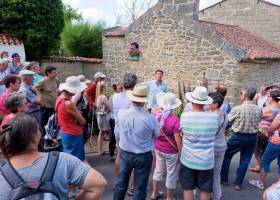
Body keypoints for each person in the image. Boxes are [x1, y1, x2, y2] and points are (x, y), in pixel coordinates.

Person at [0, 114, 107, 200]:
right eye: (38, 130)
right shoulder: (62, 160)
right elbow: (99, 184)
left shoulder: (2, 174)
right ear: (34, 138)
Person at [113, 85, 160, 200]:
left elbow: (118, 131)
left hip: (125, 153)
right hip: (143, 155)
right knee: (140, 187)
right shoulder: (150, 118)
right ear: (144, 102)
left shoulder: (121, 113)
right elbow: (157, 134)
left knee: (121, 184)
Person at [180, 86, 219, 200]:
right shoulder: (213, 117)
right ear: (205, 102)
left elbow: (183, 133)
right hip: (206, 161)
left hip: (188, 159)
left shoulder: (185, 116)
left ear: (192, 101)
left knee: (188, 188)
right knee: (205, 190)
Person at [221, 87, 262, 191]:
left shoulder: (237, 109)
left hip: (238, 136)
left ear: (245, 96)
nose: (240, 95)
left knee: (226, 154)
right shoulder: (258, 109)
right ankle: (238, 183)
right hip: (253, 136)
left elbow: (227, 120)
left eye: (241, 93)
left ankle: (224, 179)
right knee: (245, 160)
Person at [151, 92, 182, 200]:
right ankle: (169, 197)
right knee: (171, 173)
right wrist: (180, 153)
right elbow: (178, 140)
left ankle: (154, 193)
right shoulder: (175, 120)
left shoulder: (156, 116)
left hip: (158, 147)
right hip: (171, 151)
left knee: (158, 170)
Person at [112, 73, 137, 195]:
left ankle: (118, 182)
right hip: (129, 129)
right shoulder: (133, 97)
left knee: (119, 155)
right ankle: (131, 186)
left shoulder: (115, 96)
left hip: (118, 128)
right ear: (134, 85)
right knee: (131, 157)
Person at [56, 76, 87, 161]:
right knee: (76, 160)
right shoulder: (68, 103)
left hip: (64, 131)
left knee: (69, 158)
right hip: (73, 133)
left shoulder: (59, 99)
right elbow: (83, 121)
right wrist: (77, 115)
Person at [249, 90, 280, 173]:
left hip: (262, 132)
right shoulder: (278, 108)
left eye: (268, 96)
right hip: (272, 133)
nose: (267, 98)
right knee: (264, 149)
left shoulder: (268, 109)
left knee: (257, 150)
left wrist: (254, 101)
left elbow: (255, 115)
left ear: (271, 98)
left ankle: (260, 166)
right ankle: (261, 166)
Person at [249, 113, 280, 190]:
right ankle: (278, 184)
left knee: (265, 161)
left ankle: (260, 183)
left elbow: (272, 129)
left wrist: (268, 132)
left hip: (276, 142)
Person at [207, 92, 228, 200]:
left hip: (212, 147)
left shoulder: (211, 117)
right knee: (216, 174)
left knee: (206, 173)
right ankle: (216, 197)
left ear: (215, 104)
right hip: (221, 145)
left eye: (209, 102)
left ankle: (206, 194)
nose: (207, 104)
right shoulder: (224, 114)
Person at [35, 65, 59, 134]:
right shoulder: (43, 81)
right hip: (46, 105)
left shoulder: (56, 80)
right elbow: (35, 88)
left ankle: (52, 136)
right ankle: (46, 138)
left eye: (56, 72)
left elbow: (57, 87)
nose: (56, 74)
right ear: (48, 73)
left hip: (54, 104)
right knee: (46, 122)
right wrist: (40, 96)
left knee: (54, 121)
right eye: (54, 72)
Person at [72, 75, 91, 144]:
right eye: (85, 83)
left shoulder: (82, 93)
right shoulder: (78, 93)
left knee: (84, 137)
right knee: (83, 137)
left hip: (83, 117)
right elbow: (72, 104)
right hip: (79, 119)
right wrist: (77, 112)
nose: (86, 85)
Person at [95, 81, 112, 156]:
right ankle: (113, 150)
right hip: (105, 117)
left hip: (99, 116)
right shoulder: (104, 97)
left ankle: (100, 150)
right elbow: (110, 108)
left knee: (101, 133)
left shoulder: (98, 96)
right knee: (111, 134)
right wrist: (107, 110)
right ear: (103, 87)